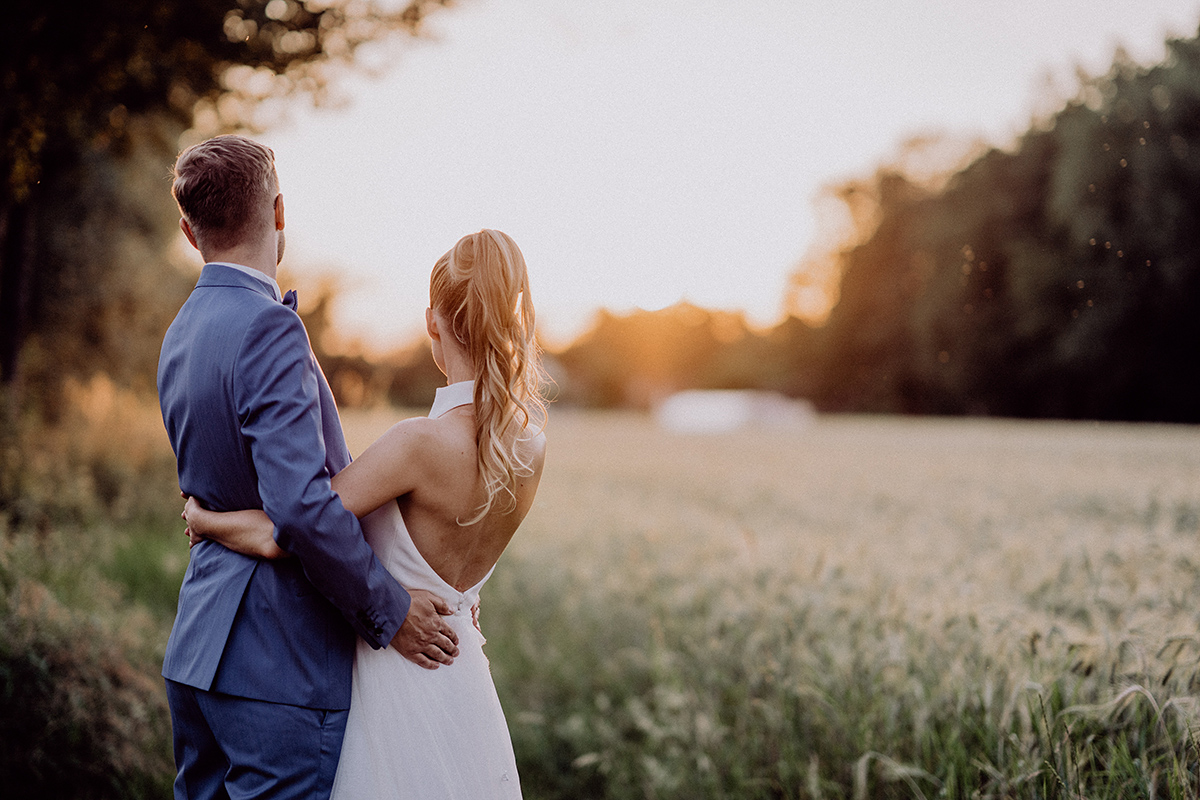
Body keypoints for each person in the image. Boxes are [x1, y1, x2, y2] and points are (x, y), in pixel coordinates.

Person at [183, 228, 548, 798]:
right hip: (464, 682)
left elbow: (295, 529)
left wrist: (207, 521)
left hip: (395, 683)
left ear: (433, 323)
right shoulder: (530, 448)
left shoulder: (418, 445)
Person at [157, 134, 460, 800]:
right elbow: (298, 506)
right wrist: (389, 610)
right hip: (278, 667)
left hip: (198, 653)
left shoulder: (180, 331)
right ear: (280, 211)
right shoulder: (269, 327)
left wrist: (208, 519)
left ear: (188, 231)